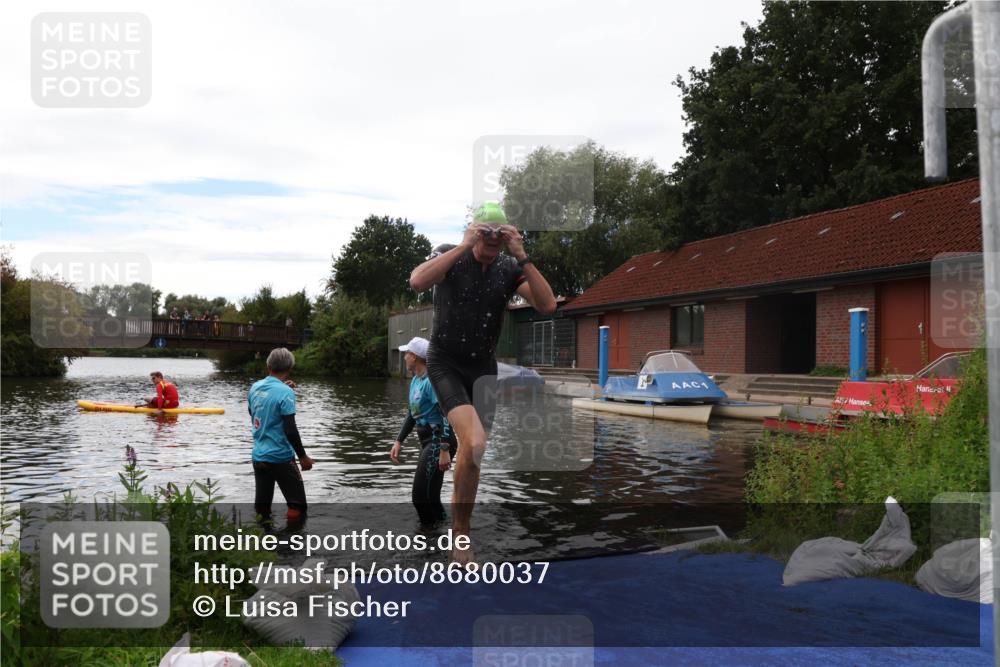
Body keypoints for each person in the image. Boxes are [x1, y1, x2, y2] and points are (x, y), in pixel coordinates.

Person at [409, 202, 556, 562]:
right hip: (445, 362)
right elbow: (416, 281)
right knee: (473, 441)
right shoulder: (449, 255)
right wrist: (462, 245)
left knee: (475, 453)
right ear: (474, 231)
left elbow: (547, 305)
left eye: (499, 233)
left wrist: (522, 255)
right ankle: (460, 536)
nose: (492, 239)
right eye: (485, 232)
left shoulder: (508, 268)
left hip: (482, 368)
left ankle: (461, 525)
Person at [390, 337, 458, 525]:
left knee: (419, 498)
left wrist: (444, 449)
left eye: (407, 353)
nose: (404, 357)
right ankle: (442, 531)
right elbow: (412, 414)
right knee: (431, 497)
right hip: (428, 442)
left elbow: (447, 414)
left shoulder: (432, 382)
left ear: (416, 357)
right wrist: (399, 441)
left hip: (439, 441)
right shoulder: (415, 381)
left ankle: (428, 537)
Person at [248, 347, 314, 522]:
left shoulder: (255, 388)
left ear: (268, 365)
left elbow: (253, 413)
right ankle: (292, 546)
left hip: (258, 456)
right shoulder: (286, 392)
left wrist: (282, 389)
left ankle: (261, 543)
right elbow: (290, 429)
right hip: (280, 458)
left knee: (262, 507)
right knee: (297, 507)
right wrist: (303, 457)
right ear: (290, 367)